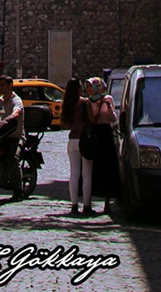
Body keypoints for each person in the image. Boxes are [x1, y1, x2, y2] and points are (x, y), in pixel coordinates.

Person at [84, 76, 120, 217]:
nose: (89, 90)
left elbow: (113, 119)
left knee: (108, 168)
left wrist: (108, 106)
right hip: (95, 134)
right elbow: (91, 119)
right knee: (95, 169)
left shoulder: (108, 99)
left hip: (106, 134)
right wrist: (98, 106)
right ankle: (90, 201)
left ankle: (107, 203)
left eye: (90, 86)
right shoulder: (88, 102)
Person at [0, 74, 24, 199]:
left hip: (16, 136)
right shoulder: (0, 101)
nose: (1, 88)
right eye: (0, 85)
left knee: (13, 158)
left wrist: (12, 117)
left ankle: (18, 191)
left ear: (10, 86)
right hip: (2, 135)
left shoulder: (16, 100)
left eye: (3, 85)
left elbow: (17, 111)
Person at [60, 77, 92, 216]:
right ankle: (86, 205)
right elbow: (92, 118)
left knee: (74, 173)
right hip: (84, 139)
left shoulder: (67, 104)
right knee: (86, 174)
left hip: (72, 140)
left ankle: (74, 205)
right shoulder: (84, 103)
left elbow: (66, 124)